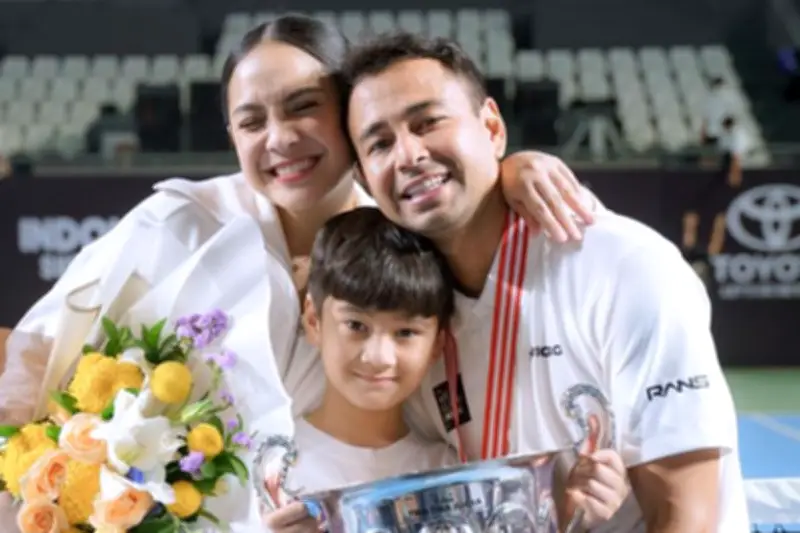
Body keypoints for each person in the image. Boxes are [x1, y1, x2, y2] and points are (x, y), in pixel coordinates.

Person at [0, 14, 601, 533]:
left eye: (303, 107)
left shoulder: (404, 240)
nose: (280, 138)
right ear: (231, 135)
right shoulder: (179, 224)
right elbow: (35, 357)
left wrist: (511, 169)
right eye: (251, 121)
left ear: (350, 112)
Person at [334, 33, 748, 531]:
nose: (408, 154)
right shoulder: (404, 315)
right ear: (363, 177)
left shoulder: (622, 268)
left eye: (428, 123)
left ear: (491, 127)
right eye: (380, 144)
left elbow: (686, 517)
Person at [267, 206, 628, 533]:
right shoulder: (270, 471)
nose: (379, 357)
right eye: (356, 326)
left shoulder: (460, 476)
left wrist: (574, 518)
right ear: (313, 320)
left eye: (405, 332)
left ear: (439, 342)